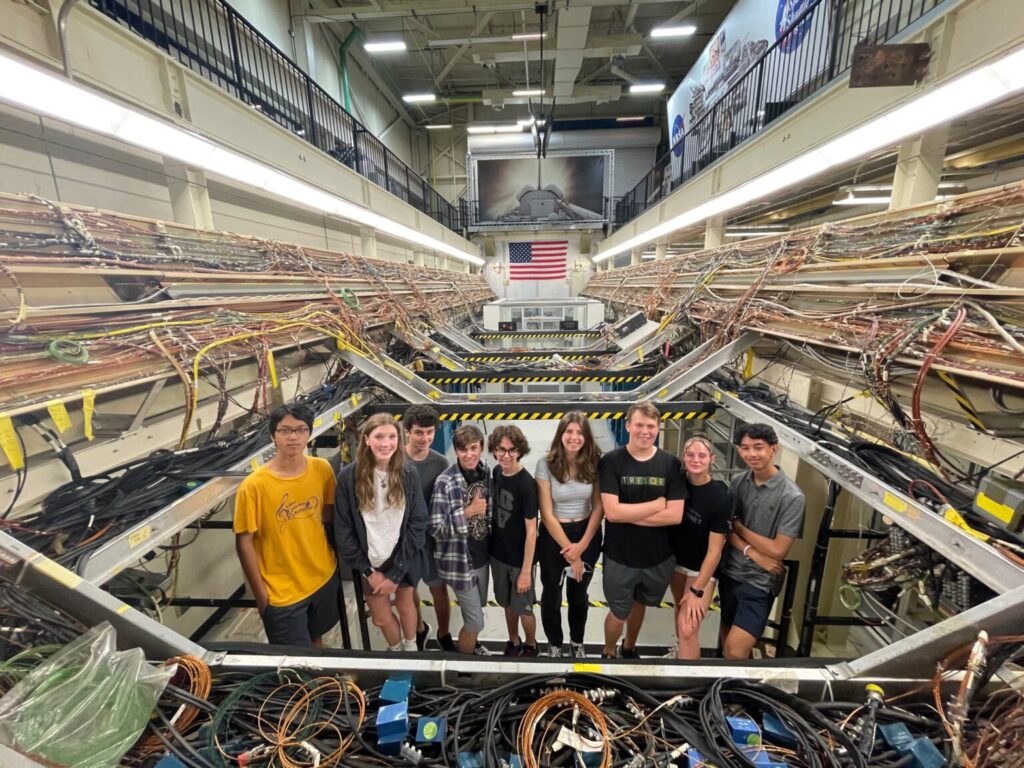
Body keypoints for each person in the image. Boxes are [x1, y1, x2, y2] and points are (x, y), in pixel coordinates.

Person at [233, 403, 339, 647]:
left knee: (316, 640)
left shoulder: (322, 470)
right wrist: (262, 597)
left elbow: (328, 517)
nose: (293, 436)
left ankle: (321, 684)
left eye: (300, 430)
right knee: (294, 661)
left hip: (322, 577)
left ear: (309, 434)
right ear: (273, 435)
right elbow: (244, 542)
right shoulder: (254, 486)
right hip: (281, 592)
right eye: (285, 430)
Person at [599, 402, 687, 659]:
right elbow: (612, 513)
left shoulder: (671, 464)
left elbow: (675, 515)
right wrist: (656, 505)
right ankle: (608, 652)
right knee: (618, 612)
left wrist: (630, 514)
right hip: (620, 557)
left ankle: (629, 648)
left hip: (657, 557)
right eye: (639, 425)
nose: (645, 431)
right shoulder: (611, 462)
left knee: (640, 605)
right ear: (628, 426)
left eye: (650, 426)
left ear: (658, 429)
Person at [334, 413, 427, 652]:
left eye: (392, 436)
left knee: (407, 606)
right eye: (379, 436)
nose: (386, 443)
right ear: (366, 439)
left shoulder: (408, 474)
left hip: (403, 558)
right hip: (371, 564)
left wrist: (396, 574)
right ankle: (395, 651)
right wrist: (368, 571)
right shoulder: (348, 477)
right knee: (381, 618)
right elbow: (343, 529)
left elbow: (418, 523)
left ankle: (411, 647)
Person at [720, 423, 805, 660]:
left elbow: (778, 550)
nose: (752, 454)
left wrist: (739, 527)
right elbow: (725, 529)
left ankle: (736, 692)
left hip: (759, 582)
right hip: (730, 573)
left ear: (773, 449)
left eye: (758, 447)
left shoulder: (792, 497)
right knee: (726, 638)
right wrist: (754, 553)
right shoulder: (738, 483)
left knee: (735, 651)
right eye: (745, 448)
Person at [536, 412, 603, 658]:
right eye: (569, 432)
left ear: (586, 437)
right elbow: (546, 512)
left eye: (580, 433)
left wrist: (582, 546)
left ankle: (577, 643)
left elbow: (598, 507)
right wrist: (571, 553)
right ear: (561, 434)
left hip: (587, 533)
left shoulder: (594, 462)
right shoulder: (545, 464)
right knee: (551, 594)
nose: (574, 437)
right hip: (554, 536)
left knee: (578, 595)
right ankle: (555, 644)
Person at [668, 434, 731, 660]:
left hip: (701, 570)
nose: (696, 460)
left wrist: (697, 590)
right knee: (679, 611)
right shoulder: (677, 485)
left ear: (711, 459)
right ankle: (679, 654)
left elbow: (715, 550)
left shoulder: (720, 497)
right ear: (684, 458)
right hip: (677, 564)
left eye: (702, 456)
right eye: (691, 455)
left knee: (688, 627)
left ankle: (687, 686)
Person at [430, 424, 491, 655]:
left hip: (482, 559)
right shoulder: (444, 482)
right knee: (475, 621)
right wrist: (467, 512)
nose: (469, 454)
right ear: (456, 451)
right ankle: (464, 668)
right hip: (460, 564)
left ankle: (472, 645)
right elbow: (435, 528)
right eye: (463, 449)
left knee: (475, 611)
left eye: (474, 448)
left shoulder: (485, 473)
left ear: (481, 448)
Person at [403, 404, 456, 652]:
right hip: (406, 541)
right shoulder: (395, 461)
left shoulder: (441, 463)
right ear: (407, 432)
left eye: (429, 432)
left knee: (438, 589)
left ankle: (444, 634)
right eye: (419, 433)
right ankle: (419, 629)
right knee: (408, 589)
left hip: (433, 540)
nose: (425, 439)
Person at [487, 425, 540, 657]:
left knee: (524, 608)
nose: (506, 455)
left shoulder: (527, 484)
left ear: (520, 451)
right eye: (501, 450)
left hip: (520, 561)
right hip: (498, 556)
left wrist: (526, 571)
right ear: (494, 450)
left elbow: (531, 531)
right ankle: (513, 641)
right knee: (507, 604)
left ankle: (530, 645)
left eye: (511, 450)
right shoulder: (497, 473)